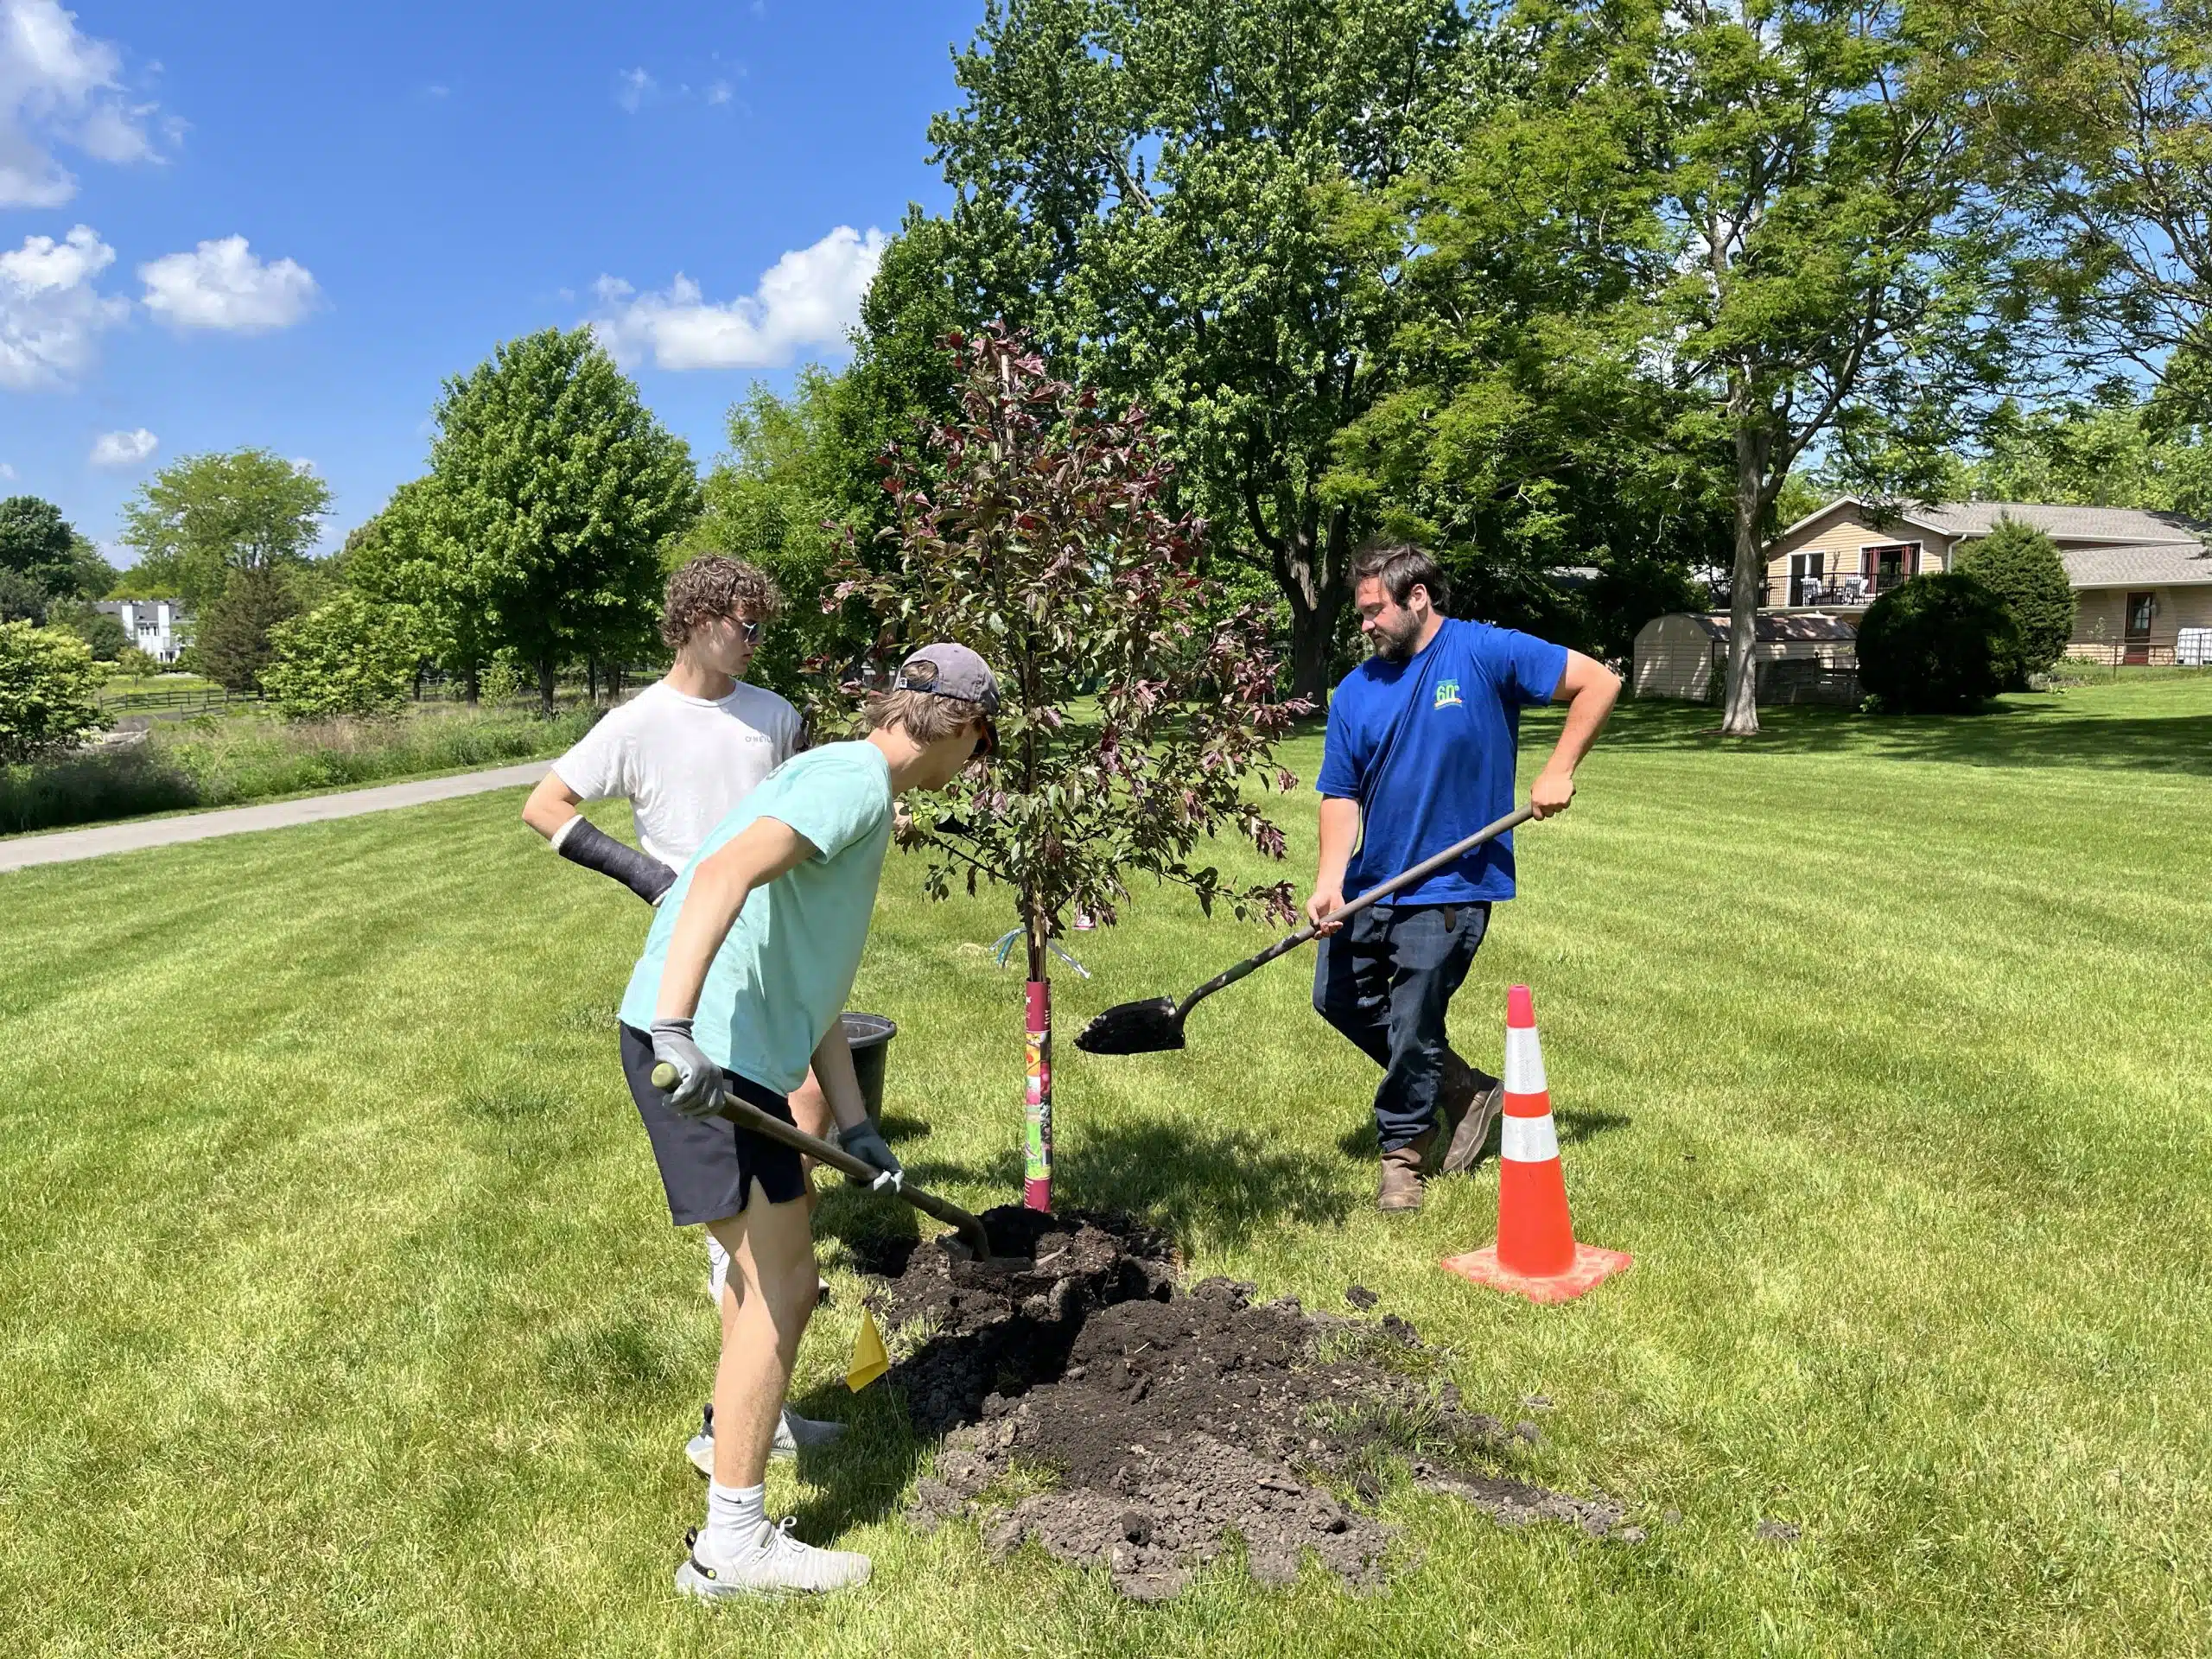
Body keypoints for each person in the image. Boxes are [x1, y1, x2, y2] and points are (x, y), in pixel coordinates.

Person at [623, 643, 1000, 1598]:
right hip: (707, 1055)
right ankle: (733, 1546)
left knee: (766, 1286)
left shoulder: (837, 774)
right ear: (960, 727)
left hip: (726, 1049)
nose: (972, 769)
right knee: (781, 1289)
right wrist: (677, 1030)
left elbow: (813, 975)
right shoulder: (855, 788)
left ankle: (735, 1435)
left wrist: (860, 1122)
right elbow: (715, 881)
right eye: (981, 748)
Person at [520, 553, 842, 1468]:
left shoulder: (773, 717)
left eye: (761, 625)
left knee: (783, 1185)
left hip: (778, 972)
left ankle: (756, 1417)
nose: (756, 640)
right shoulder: (637, 724)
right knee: (741, 1228)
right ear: (697, 619)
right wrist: (649, 875)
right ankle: (742, 1427)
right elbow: (542, 806)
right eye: (746, 624)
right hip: (694, 984)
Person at [1307, 542, 1619, 1212]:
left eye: (1373, 611)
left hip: (1453, 881)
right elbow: (1339, 795)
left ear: (1417, 597)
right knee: (1337, 998)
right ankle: (1461, 1087)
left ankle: (1402, 1155)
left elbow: (1600, 681)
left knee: (1415, 1015)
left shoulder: (1484, 652)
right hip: (1373, 880)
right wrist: (1332, 880)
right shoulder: (1356, 690)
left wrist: (1558, 768)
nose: (1364, 626)